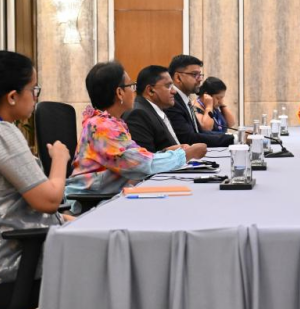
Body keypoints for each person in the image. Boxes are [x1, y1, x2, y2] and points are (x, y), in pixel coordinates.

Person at [0, 51, 68, 284]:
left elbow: (11, 206)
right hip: (15, 261)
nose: (35, 96)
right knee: (104, 254)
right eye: (33, 89)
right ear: (13, 96)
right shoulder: (0, 134)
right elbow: (48, 201)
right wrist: (59, 158)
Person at [65, 61, 206, 212]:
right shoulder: (102, 127)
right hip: (90, 204)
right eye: (131, 86)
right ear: (120, 93)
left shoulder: (110, 122)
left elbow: (134, 158)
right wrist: (185, 155)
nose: (134, 91)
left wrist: (165, 152)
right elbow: (140, 165)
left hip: (106, 196)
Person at [123, 65, 206, 154]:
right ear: (150, 90)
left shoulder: (155, 109)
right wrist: (182, 153)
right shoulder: (138, 114)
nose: (174, 91)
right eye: (168, 86)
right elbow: (144, 159)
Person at [165, 55, 235, 147]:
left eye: (200, 75)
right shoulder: (172, 102)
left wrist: (233, 137)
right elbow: (189, 138)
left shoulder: (184, 100)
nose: (200, 79)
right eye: (194, 74)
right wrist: (234, 139)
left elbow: (199, 132)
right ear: (178, 77)